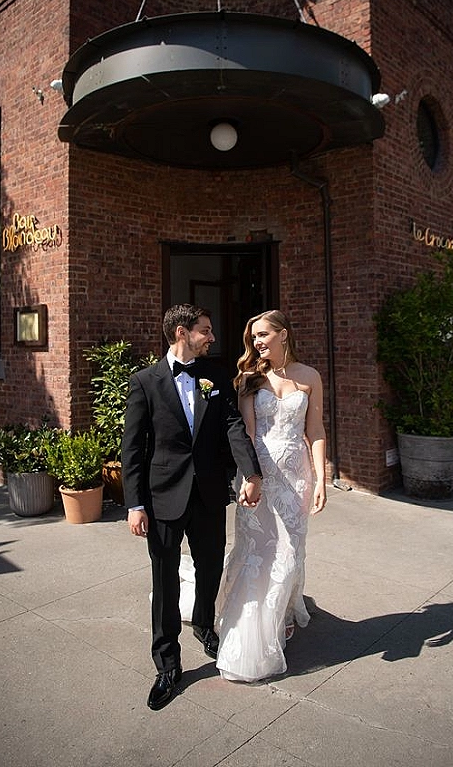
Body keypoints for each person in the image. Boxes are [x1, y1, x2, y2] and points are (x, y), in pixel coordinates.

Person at [121, 304, 262, 711]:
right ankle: (167, 663)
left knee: (210, 567)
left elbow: (233, 426)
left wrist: (250, 473)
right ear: (182, 333)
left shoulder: (216, 376)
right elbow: (133, 450)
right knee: (164, 581)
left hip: (209, 494)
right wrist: (135, 504)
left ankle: (204, 624)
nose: (212, 337)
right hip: (163, 496)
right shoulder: (144, 382)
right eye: (206, 330)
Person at [216, 309, 327, 682]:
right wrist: (251, 476)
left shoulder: (310, 376)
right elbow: (247, 432)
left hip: (297, 478)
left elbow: (315, 430)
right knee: (258, 550)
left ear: (283, 334)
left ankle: (279, 613)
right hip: (260, 476)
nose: (258, 343)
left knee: (290, 550)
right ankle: (257, 626)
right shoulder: (249, 378)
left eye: (263, 335)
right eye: (254, 338)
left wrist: (322, 480)